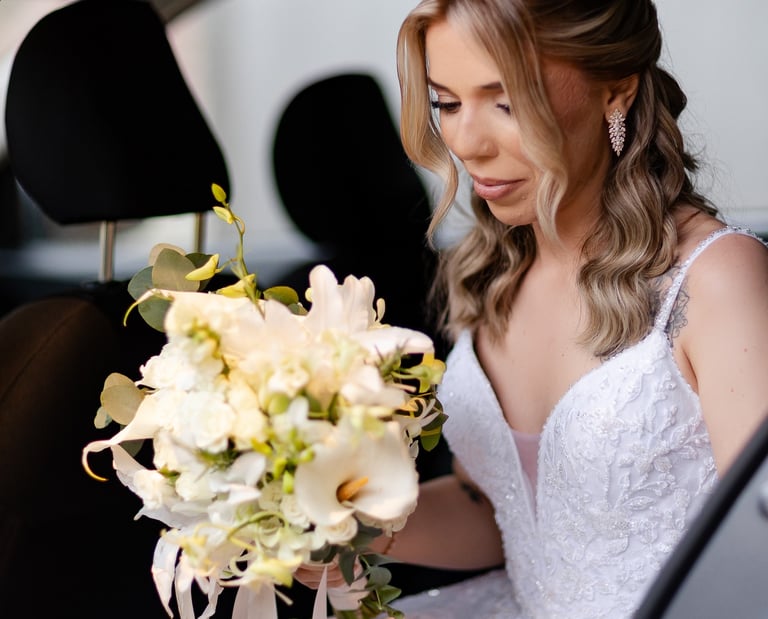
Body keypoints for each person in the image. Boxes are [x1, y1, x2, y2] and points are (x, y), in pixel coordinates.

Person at [297, 1, 768, 617]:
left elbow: (757, 558)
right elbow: (498, 514)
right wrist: (343, 517)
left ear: (616, 92)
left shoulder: (715, 280)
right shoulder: (486, 274)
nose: (466, 143)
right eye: (446, 103)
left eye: (507, 103)